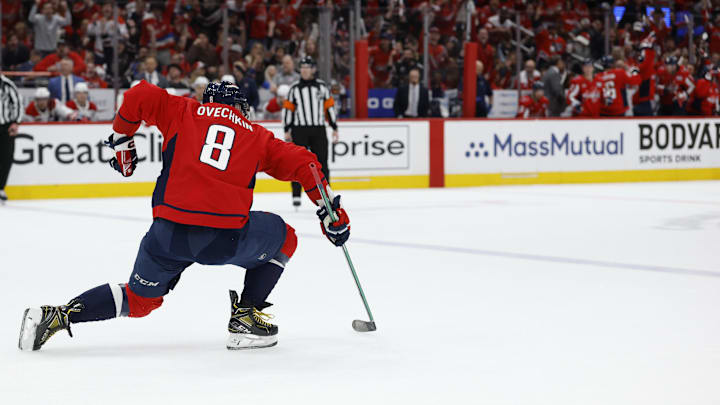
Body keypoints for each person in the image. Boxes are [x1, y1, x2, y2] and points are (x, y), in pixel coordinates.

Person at [18, 80, 352, 352]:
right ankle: (247, 316)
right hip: (223, 239)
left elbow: (138, 94)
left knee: (139, 301)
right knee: (287, 237)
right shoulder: (256, 134)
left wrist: (121, 139)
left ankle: (56, 317)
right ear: (239, 108)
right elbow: (306, 162)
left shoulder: (183, 109)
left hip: (167, 236)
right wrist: (329, 211)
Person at [283, 56, 339, 209]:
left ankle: (326, 194)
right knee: (297, 163)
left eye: (307, 67)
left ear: (313, 69)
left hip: (318, 129)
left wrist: (334, 127)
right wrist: (286, 129)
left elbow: (330, 108)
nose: (305, 70)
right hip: (299, 129)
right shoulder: (294, 89)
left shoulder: (322, 87)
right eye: (302, 67)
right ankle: (296, 195)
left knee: (322, 163)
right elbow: (288, 110)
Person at [0, 74, 23, 204]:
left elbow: (18, 103)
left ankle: (1, 187)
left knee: (6, 157)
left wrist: (16, 122)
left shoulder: (7, 84)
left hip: (5, 127)